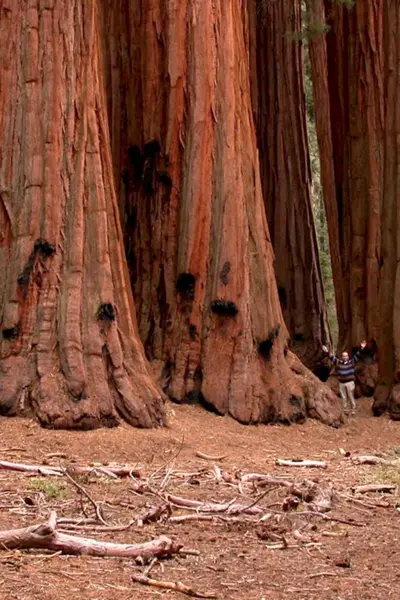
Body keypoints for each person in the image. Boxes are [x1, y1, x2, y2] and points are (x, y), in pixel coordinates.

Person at [322, 341, 367, 416]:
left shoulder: (352, 362)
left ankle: (353, 410)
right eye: (344, 356)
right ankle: (345, 410)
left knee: (350, 396)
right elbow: (332, 358)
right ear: (342, 357)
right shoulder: (339, 363)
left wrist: (362, 348)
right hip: (342, 383)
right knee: (344, 397)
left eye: (346, 356)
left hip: (350, 383)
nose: (345, 357)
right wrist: (327, 351)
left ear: (348, 357)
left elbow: (357, 355)